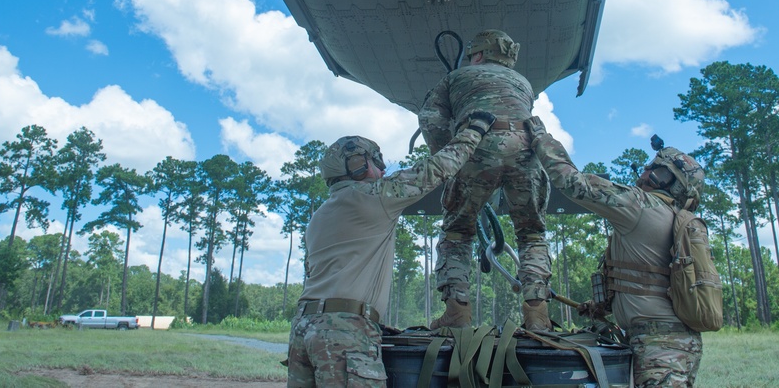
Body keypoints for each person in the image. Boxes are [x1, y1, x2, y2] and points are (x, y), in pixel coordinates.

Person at [287, 110, 496, 387]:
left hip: (304, 327)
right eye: (377, 161)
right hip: (344, 331)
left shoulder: (319, 217)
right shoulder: (374, 196)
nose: (383, 169)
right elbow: (436, 169)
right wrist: (475, 131)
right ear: (358, 165)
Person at [526, 117, 707, 388]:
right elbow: (648, 280)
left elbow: (572, 181)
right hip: (672, 342)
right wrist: (602, 307)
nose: (646, 170)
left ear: (664, 179)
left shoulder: (642, 207)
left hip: (660, 347)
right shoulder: (669, 217)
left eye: (655, 168)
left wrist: (540, 137)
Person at [419, 29, 552, 331]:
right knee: (532, 234)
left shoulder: (457, 77)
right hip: (528, 148)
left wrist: (448, 156)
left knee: (457, 232)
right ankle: (537, 314)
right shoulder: (524, 83)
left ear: (478, 54)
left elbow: (430, 116)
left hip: (477, 144)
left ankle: (457, 312)